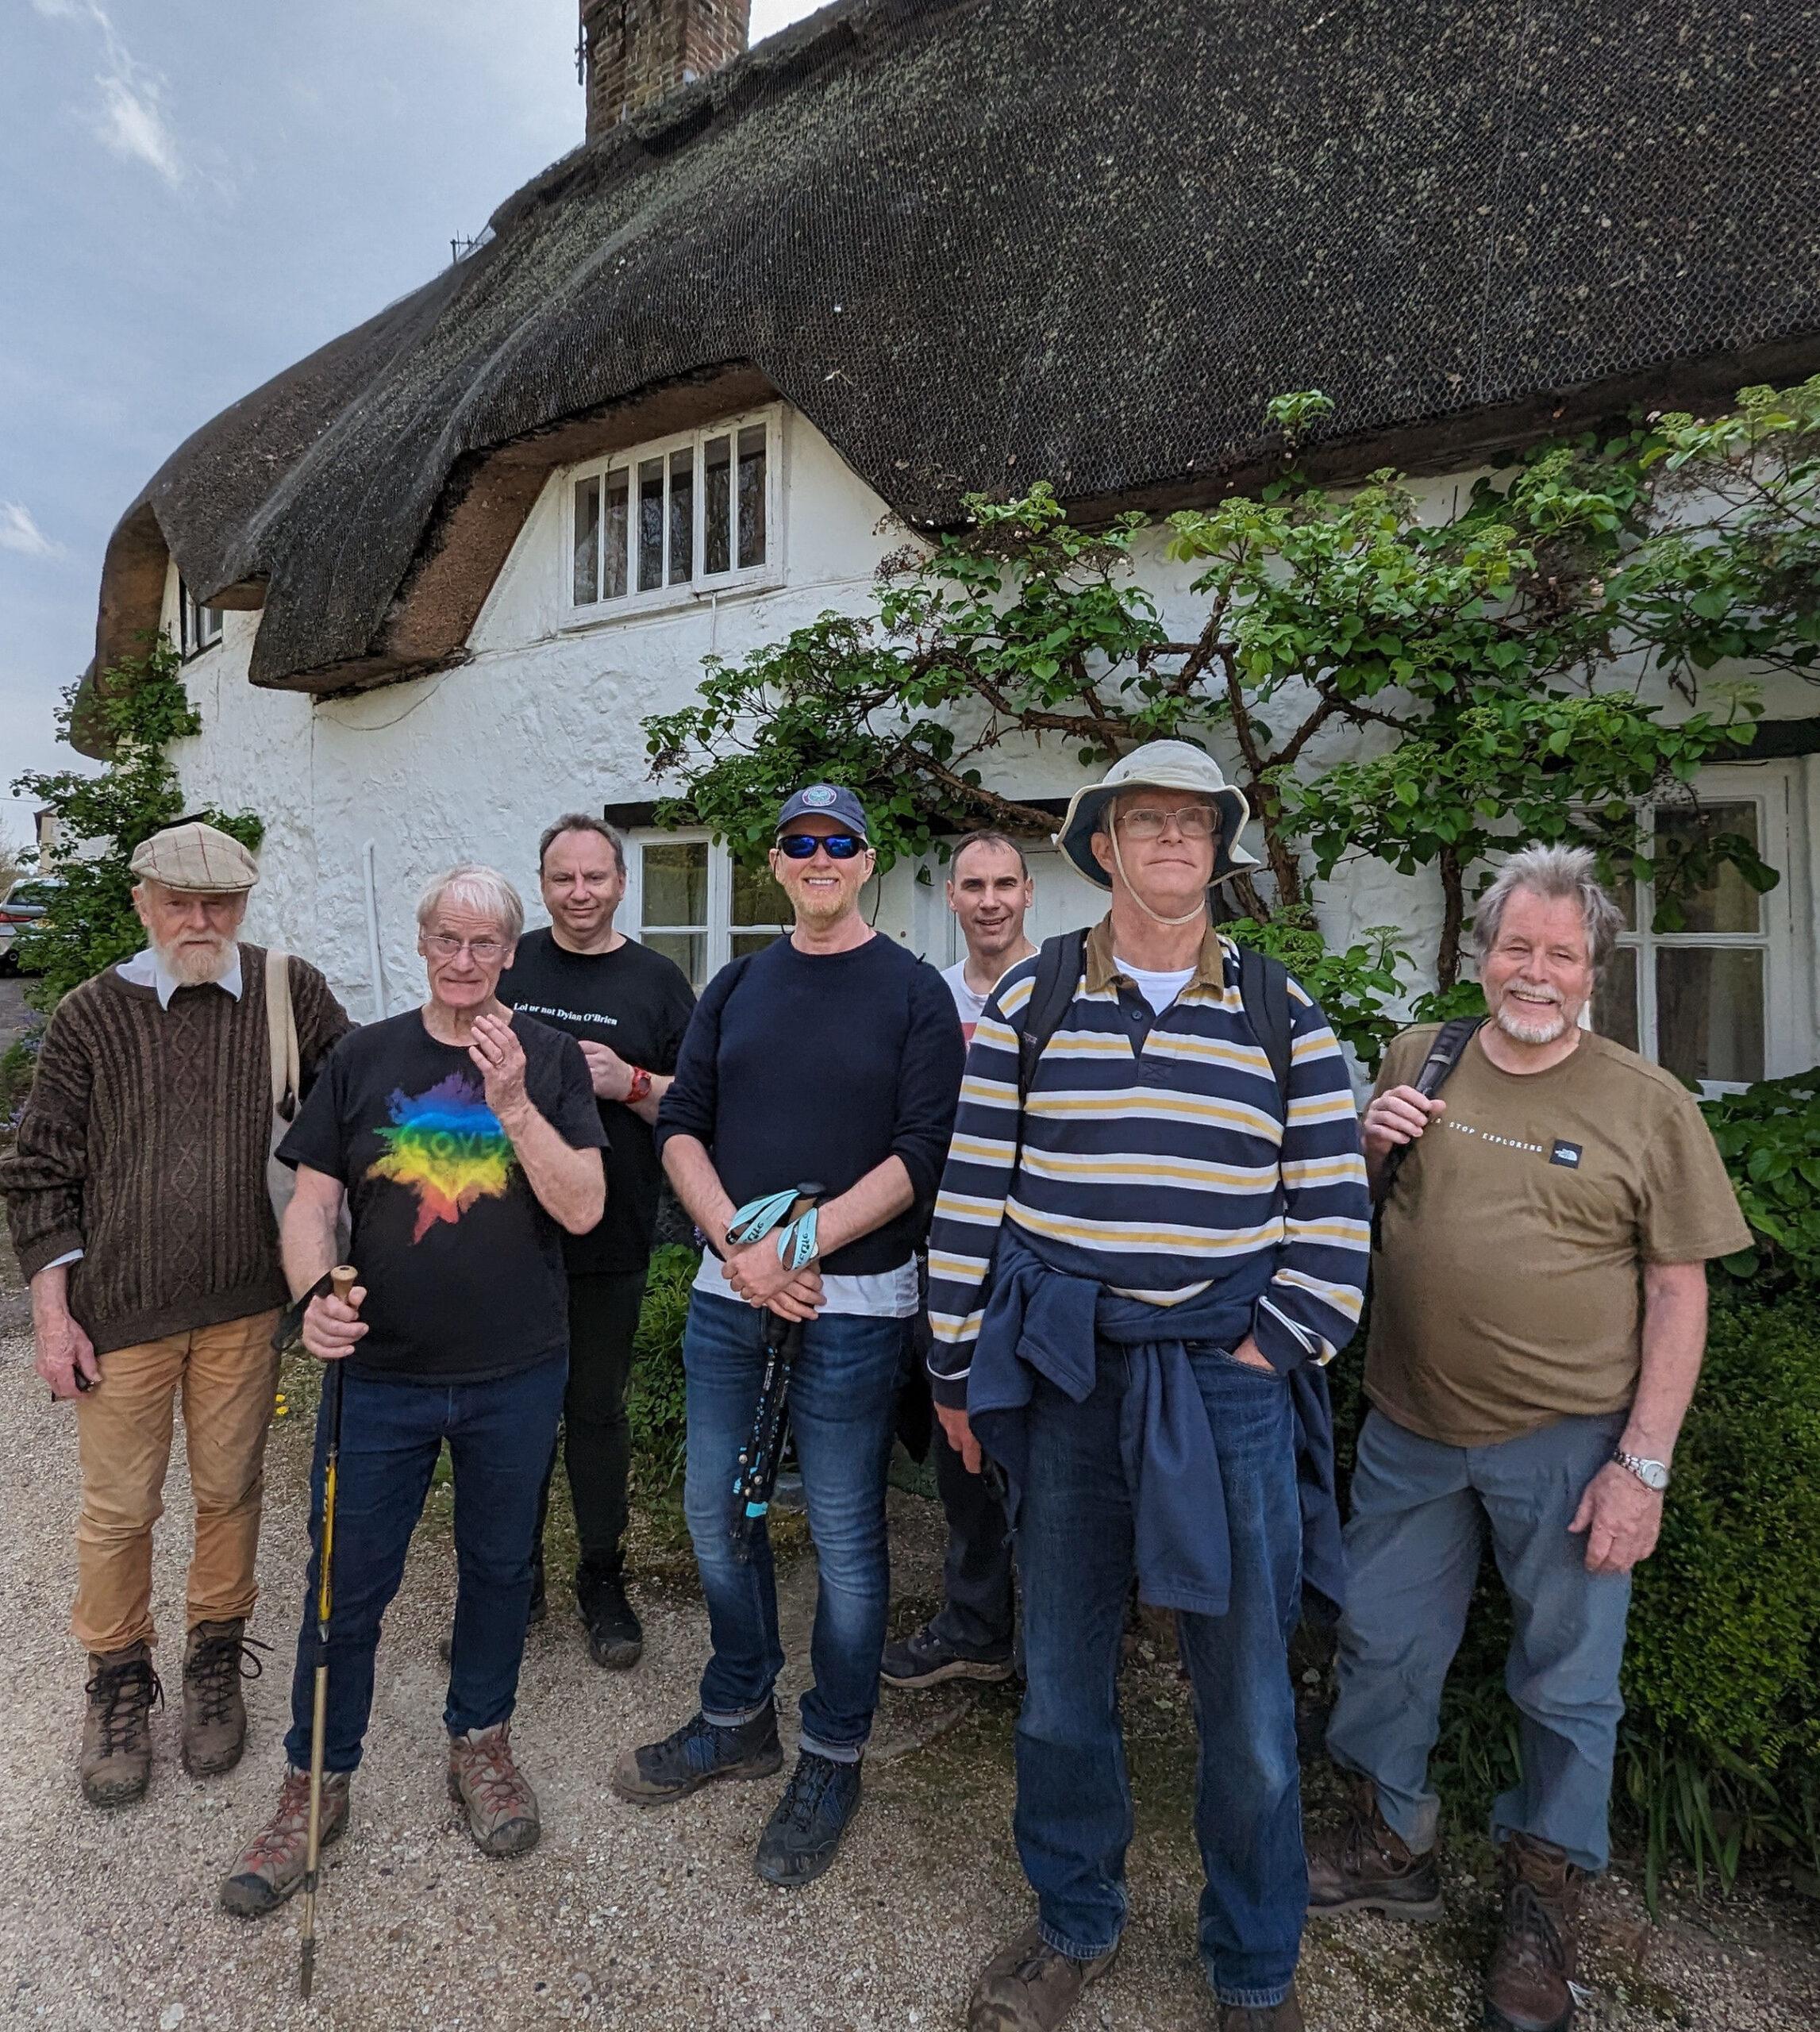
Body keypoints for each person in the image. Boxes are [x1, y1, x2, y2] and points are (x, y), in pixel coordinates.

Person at [925, 741, 1370, 2032]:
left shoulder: (1283, 1010)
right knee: (1062, 1682)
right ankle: (1073, 1921)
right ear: (1104, 848)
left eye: (1195, 820)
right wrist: (953, 1362)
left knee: (1246, 1703)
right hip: (1066, 1376)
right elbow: (971, 1192)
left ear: (1218, 850)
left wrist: (1267, 1349)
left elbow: (1333, 1210)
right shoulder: (1032, 1000)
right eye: (1146, 819)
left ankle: (1254, 1965)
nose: (1173, 837)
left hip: (1226, 1386)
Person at [1306, 843, 1751, 2032]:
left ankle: (1543, 1899)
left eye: (1561, 953)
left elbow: (1679, 1291)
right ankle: (1390, 1843)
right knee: (1381, 1643)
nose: (1535, 972)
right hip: (1408, 1424)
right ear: (1483, 954)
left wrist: (1641, 1467)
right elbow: (1354, 1214)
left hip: (1568, 1443)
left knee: (1567, 1684)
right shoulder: (1421, 1055)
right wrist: (1366, 1145)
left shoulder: (1646, 1104)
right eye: (1516, 947)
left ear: (1593, 968)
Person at [219, 864, 606, 1916]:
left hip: (515, 1372)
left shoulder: (549, 1058)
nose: (464, 960)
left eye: (485, 944)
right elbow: (311, 1205)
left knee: (499, 1570)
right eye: (448, 939)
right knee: (342, 1586)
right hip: (379, 1378)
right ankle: (316, 1778)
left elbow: (583, 1206)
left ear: (511, 954)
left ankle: (480, 1742)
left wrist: (513, 1103)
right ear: (424, 943)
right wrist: (312, 1298)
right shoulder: (363, 1057)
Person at [613, 784, 964, 1887]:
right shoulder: (737, 984)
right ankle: (738, 1713)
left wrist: (800, 1243)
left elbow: (922, 1151)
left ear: (866, 860)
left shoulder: (911, 992)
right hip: (732, 1293)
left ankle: (832, 1750)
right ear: (775, 863)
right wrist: (742, 1247)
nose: (819, 856)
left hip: (855, 1307)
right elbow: (681, 1125)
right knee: (717, 1515)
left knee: (848, 1539)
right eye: (799, 842)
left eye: (838, 842)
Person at [0, 821, 350, 1808]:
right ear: (143, 902)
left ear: (243, 905)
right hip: (122, 1314)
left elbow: (361, 1101)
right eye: (179, 901)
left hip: (245, 1306)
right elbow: (40, 1171)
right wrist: (54, 1316)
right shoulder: (90, 1014)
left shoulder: (290, 991)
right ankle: (116, 1680)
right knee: (119, 1511)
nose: (200, 920)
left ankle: (213, 1661)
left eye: (219, 903)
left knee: (231, 1492)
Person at [497, 814, 695, 1667]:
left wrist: (632, 1080)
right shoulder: (509, 965)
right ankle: (515, 1577)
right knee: (512, 1412)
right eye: (562, 878)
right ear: (542, 885)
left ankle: (602, 1574)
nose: (579, 893)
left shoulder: (657, 981)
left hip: (611, 1232)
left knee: (596, 1410)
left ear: (621, 883)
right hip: (506, 1233)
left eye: (594, 877)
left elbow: (698, 1104)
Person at [880, 829, 1036, 1691]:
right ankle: (977, 1625)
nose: (989, 901)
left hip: (1039, 1261)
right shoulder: (927, 1000)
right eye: (973, 885)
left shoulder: (1063, 990)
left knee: (1047, 1455)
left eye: (1004, 884)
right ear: (950, 896)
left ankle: (1055, 1637)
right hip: (943, 1252)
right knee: (960, 1448)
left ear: (1027, 893)